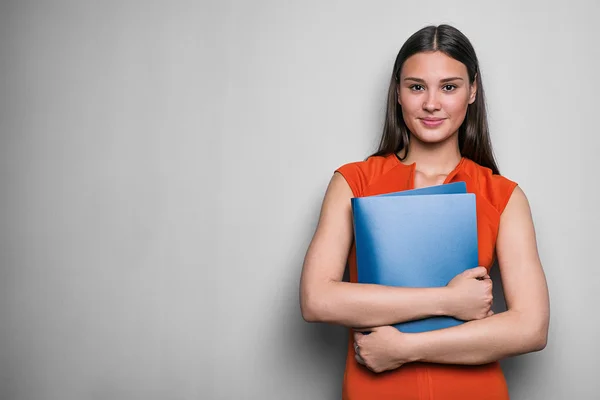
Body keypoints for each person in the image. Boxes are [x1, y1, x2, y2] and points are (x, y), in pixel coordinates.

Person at [299, 24, 550, 399]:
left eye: (449, 87)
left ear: (472, 91)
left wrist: (405, 349)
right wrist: (447, 300)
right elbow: (316, 299)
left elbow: (531, 327)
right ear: (398, 93)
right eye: (417, 86)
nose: (431, 103)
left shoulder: (502, 195)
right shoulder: (354, 181)